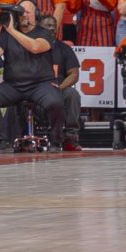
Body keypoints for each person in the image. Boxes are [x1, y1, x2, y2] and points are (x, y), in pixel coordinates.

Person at [0, 0, 65, 152]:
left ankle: (56, 140)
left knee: (55, 102)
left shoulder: (44, 33)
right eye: (22, 12)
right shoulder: (7, 35)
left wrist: (12, 30)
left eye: (28, 12)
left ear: (36, 15)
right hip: (13, 85)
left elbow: (34, 47)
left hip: (40, 84)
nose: (24, 15)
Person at [37, 14, 83, 151]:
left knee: (73, 94)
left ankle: (70, 137)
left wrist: (59, 88)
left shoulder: (64, 48)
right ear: (39, 27)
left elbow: (74, 74)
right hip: (36, 90)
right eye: (47, 25)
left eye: (53, 26)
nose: (51, 28)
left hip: (59, 89)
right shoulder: (31, 46)